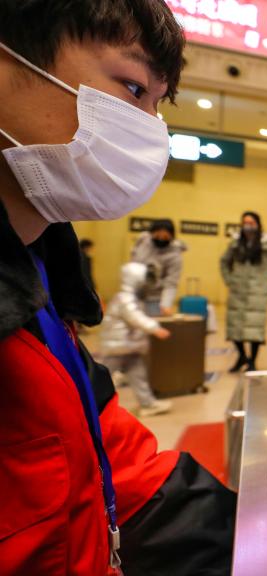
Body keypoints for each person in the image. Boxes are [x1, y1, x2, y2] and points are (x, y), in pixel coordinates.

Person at [0, 3, 235, 574]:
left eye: (158, 105)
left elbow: (109, 459)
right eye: (132, 87)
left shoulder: (43, 288)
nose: (150, 128)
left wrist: (266, 532)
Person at [221, 211, 267, 372]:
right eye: (245, 222)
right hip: (237, 291)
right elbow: (224, 262)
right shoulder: (235, 244)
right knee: (235, 327)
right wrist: (229, 280)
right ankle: (241, 357)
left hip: (257, 293)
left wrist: (266, 272)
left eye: (251, 222)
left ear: (258, 224)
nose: (248, 225)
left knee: (255, 330)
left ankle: (252, 361)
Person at [100, 262, 173, 416]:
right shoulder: (125, 299)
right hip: (119, 345)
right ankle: (85, 404)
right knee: (102, 376)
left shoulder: (131, 298)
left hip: (129, 346)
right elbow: (134, 317)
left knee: (138, 375)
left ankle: (148, 404)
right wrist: (155, 328)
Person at [131, 218, 186, 316]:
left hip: (155, 298)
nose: (161, 238)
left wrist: (166, 304)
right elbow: (133, 260)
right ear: (151, 233)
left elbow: (171, 283)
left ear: (172, 236)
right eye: (157, 234)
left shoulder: (175, 255)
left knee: (152, 326)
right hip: (134, 293)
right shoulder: (143, 242)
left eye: (165, 236)